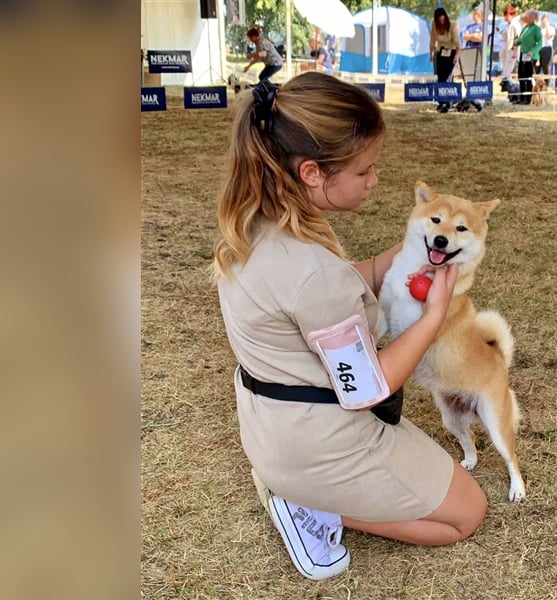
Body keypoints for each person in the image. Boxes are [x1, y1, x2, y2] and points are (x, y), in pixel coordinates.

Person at [213, 72, 487, 581]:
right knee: (466, 514)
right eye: (364, 170)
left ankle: (301, 489)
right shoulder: (312, 273)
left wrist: (403, 261)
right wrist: (432, 318)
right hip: (317, 440)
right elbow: (367, 386)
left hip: (273, 423)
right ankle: (311, 506)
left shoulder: (257, 222)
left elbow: (326, 294)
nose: (374, 181)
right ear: (314, 172)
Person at [429, 7, 461, 113]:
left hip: (451, 52)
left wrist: (456, 56)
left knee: (448, 77)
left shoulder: (453, 25)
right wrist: (431, 53)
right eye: (439, 20)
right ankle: (441, 101)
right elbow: (432, 40)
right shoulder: (434, 24)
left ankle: (447, 101)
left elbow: (458, 44)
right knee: (440, 77)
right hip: (440, 52)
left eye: (443, 19)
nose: (442, 22)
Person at [514, 9, 542, 105]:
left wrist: (533, 51)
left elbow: (539, 43)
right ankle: (521, 98)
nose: (526, 18)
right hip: (523, 54)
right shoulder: (525, 28)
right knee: (521, 76)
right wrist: (515, 43)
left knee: (528, 77)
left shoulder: (536, 29)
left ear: (533, 18)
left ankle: (528, 98)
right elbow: (521, 40)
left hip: (531, 56)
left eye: (528, 16)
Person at [500, 6, 521, 81]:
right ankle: (507, 82)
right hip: (506, 49)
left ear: (512, 15)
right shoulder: (507, 25)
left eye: (507, 15)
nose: (505, 17)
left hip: (512, 50)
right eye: (505, 15)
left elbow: (517, 38)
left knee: (508, 70)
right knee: (505, 69)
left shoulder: (515, 25)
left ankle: (507, 83)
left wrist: (515, 51)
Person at [538, 14, 555, 86]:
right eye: (543, 20)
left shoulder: (551, 28)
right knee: (536, 68)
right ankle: (536, 85)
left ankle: (546, 85)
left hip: (547, 49)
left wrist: (547, 25)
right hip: (538, 49)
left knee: (546, 68)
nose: (543, 22)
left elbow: (548, 36)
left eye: (545, 21)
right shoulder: (538, 29)